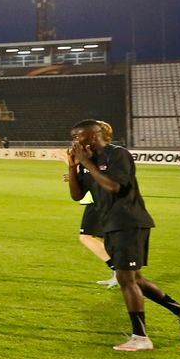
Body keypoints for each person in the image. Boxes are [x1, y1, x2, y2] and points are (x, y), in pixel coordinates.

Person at [66, 119, 180, 350]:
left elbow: (115, 186)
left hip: (129, 222)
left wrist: (87, 162)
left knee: (126, 279)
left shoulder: (118, 154)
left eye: (78, 136)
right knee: (134, 279)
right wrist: (73, 167)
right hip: (110, 225)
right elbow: (78, 196)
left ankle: (141, 337)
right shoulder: (90, 161)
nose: (75, 141)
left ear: (94, 135)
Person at [64, 120, 118, 288]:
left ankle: (119, 270)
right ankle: (118, 273)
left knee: (86, 237)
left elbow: (111, 182)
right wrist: (73, 172)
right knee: (101, 239)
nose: (78, 140)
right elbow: (80, 190)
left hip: (108, 204)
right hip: (97, 203)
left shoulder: (111, 155)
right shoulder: (90, 156)